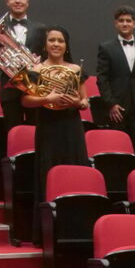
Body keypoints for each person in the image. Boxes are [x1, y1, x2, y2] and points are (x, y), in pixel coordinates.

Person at [20, 26, 88, 242]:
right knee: (48, 174)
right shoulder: (35, 69)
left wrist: (77, 102)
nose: (56, 44)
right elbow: (25, 101)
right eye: (52, 40)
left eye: (60, 40)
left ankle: (75, 231)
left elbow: (85, 101)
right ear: (45, 44)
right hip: (48, 127)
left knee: (74, 172)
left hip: (71, 126)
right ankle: (47, 234)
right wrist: (46, 99)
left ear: (66, 46)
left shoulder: (75, 69)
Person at [95, 6, 135, 145]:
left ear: (134, 23)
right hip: (117, 106)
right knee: (118, 143)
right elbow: (102, 78)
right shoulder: (106, 47)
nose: (125, 24)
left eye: (128, 20)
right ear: (116, 23)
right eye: (121, 21)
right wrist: (111, 104)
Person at [0, 0, 45, 131]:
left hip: (34, 89)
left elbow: (47, 60)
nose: (17, 1)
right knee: (12, 132)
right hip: (10, 92)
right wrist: (6, 57)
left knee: (36, 132)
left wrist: (39, 63)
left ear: (27, 2)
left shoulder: (40, 29)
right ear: (7, 2)